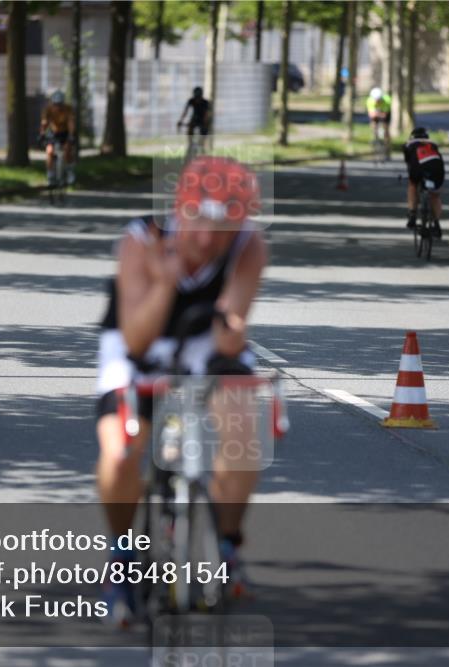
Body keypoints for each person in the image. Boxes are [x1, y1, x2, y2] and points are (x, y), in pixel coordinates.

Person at [94, 156, 267, 626]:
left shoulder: (249, 247)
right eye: (199, 223)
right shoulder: (140, 240)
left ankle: (227, 545)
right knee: (120, 451)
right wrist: (167, 279)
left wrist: (230, 324)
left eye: (224, 228)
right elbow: (135, 339)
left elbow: (232, 335)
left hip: (203, 342)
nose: (209, 240)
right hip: (136, 341)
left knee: (246, 431)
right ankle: (122, 559)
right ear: (181, 210)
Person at [403, 127, 445, 236]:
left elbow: (410, 164)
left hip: (418, 168)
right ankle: (436, 224)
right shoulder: (433, 144)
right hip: (437, 169)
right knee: (435, 195)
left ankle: (412, 215)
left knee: (412, 184)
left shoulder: (409, 144)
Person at [39, 90, 76, 186]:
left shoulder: (68, 109)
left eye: (60, 105)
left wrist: (71, 135)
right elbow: (44, 123)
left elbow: (71, 123)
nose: (57, 107)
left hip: (65, 132)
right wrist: (42, 134)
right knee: (49, 151)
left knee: (67, 149)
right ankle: (50, 175)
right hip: (53, 132)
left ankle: (69, 172)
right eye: (55, 104)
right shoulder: (48, 109)